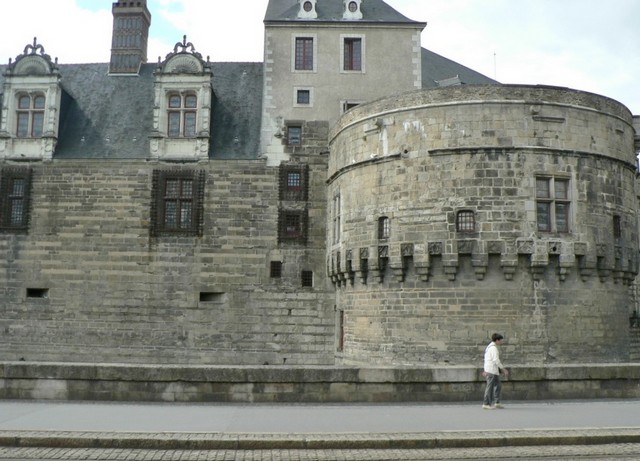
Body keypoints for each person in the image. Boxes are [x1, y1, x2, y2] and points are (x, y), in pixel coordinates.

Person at [482, 333, 509, 409]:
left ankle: (497, 402)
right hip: (491, 371)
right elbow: (496, 360)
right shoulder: (493, 348)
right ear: (497, 340)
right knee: (490, 387)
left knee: (498, 385)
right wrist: (503, 369)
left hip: (492, 370)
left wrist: (485, 369)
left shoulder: (489, 347)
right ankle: (486, 404)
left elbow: (487, 359)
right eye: (500, 340)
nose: (501, 342)